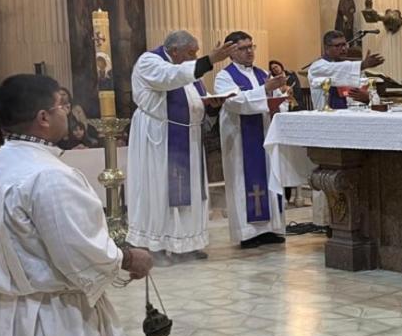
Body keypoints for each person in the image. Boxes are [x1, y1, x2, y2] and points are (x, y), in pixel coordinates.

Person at [0, 74, 180, 336]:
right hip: (59, 312)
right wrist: (129, 258)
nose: (67, 112)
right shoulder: (50, 176)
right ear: (43, 117)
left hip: (14, 307)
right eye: (61, 105)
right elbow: (77, 249)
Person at [127, 31, 237, 261]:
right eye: (191, 52)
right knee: (160, 189)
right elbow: (170, 78)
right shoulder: (150, 62)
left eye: (196, 53)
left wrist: (212, 103)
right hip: (160, 138)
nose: (194, 57)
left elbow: (194, 97)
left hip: (189, 137)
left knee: (193, 192)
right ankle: (157, 244)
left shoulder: (186, 69)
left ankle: (187, 243)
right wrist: (209, 60)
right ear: (174, 51)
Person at [215, 32, 291, 249]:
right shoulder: (224, 76)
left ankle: (272, 228)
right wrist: (265, 90)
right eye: (243, 48)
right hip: (241, 137)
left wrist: (279, 100)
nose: (249, 51)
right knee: (243, 180)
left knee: (270, 178)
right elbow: (234, 103)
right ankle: (248, 233)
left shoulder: (262, 73)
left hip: (266, 134)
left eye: (251, 46)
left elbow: (280, 101)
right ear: (231, 52)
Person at [306, 30, 385, 109]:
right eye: (337, 46)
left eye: (344, 45)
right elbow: (336, 70)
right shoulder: (317, 67)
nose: (343, 49)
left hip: (355, 114)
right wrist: (363, 65)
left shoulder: (354, 69)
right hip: (327, 115)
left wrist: (368, 98)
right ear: (327, 48)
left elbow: (376, 100)